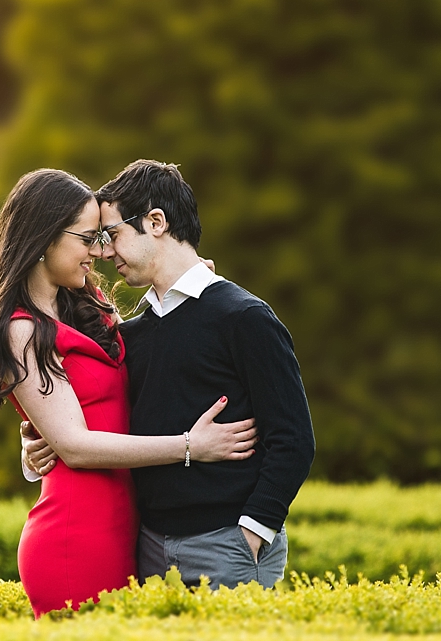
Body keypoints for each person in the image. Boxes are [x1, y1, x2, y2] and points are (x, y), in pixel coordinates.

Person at [0, 168, 258, 616]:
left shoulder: (87, 307)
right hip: (76, 538)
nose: (99, 252)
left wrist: (192, 284)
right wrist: (189, 447)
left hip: (130, 532)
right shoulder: (21, 331)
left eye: (102, 237)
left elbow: (150, 350)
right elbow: (75, 447)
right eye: (87, 238)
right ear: (45, 239)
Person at [24, 160, 315, 589]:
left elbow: (294, 439)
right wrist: (33, 442)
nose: (103, 252)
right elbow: (95, 408)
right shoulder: (130, 335)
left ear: (155, 222)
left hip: (226, 546)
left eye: (112, 235)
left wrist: (253, 530)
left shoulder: (244, 317)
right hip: (145, 549)